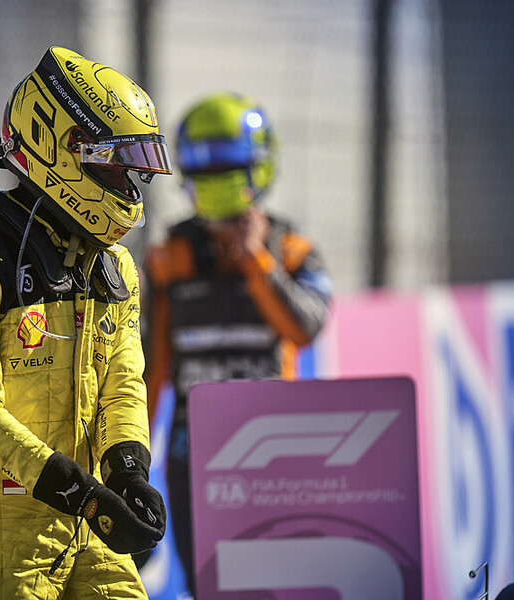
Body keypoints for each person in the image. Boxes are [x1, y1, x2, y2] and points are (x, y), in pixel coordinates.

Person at [0, 46, 172, 599]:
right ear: (59, 147)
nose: (127, 183)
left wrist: (128, 470)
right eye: (113, 164)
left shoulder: (115, 266)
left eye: (131, 168)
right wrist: (83, 495)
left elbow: (123, 384)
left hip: (93, 518)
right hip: (2, 531)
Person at [143, 92, 334, 594]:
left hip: (275, 448)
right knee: (207, 585)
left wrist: (256, 261)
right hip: (192, 450)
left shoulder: (292, 251)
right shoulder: (168, 257)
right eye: (206, 168)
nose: (216, 179)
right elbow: (151, 368)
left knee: (279, 584)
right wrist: (134, 458)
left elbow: (306, 328)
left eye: (227, 167)